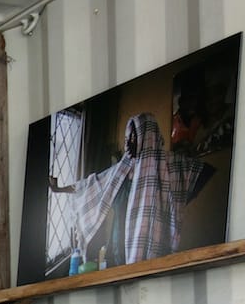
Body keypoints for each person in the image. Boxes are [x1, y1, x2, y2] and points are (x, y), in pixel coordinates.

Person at [50, 112, 214, 266]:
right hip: (116, 250)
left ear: (148, 136)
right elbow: (89, 185)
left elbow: (201, 172)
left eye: (135, 136)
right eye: (129, 136)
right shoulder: (120, 171)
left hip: (152, 249)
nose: (129, 141)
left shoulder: (167, 167)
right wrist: (59, 189)